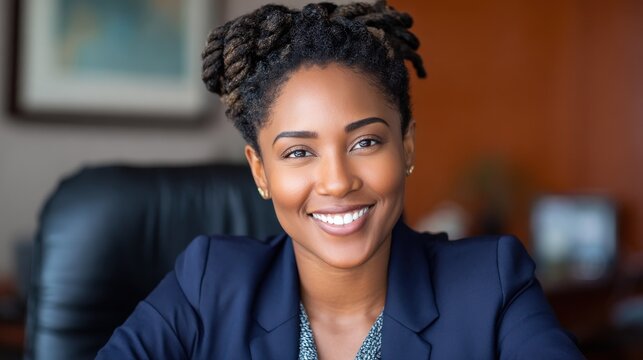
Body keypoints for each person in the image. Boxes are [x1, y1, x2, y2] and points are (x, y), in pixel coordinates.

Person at [97, 1, 584, 359]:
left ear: (406, 146)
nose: (336, 182)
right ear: (260, 171)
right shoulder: (208, 283)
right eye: (299, 152)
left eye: (365, 142)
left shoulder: (492, 287)